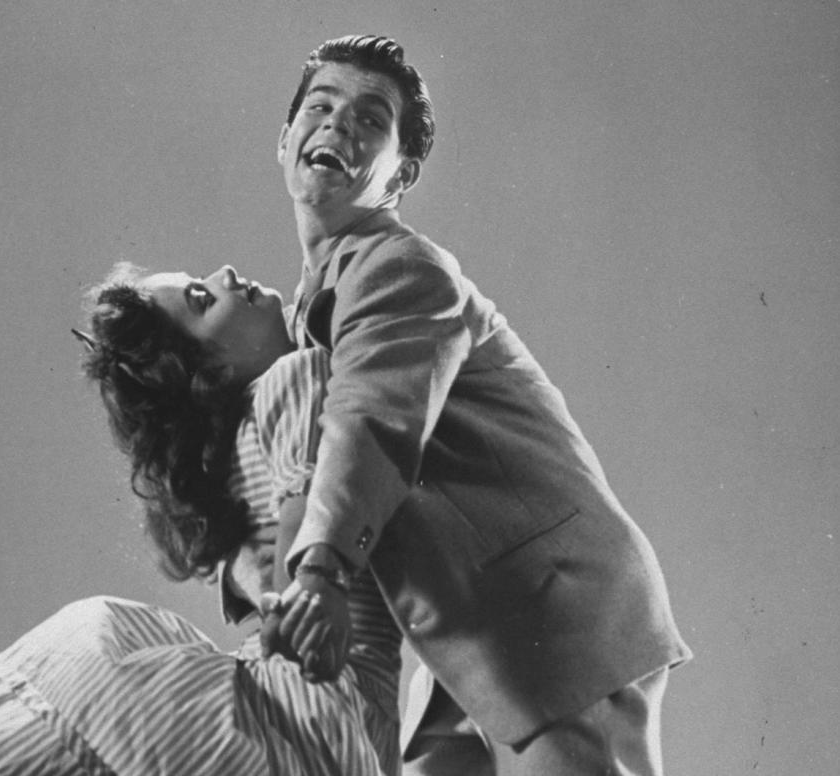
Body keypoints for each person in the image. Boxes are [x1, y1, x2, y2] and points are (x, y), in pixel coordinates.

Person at [262, 35, 693, 775]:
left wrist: (321, 572)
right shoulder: (316, 300)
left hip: (552, 615)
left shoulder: (397, 267)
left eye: (370, 120)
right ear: (286, 138)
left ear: (402, 173)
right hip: (462, 639)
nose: (337, 127)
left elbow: (373, 419)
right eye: (321, 106)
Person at [0, 262, 406, 776]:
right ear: (208, 370)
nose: (226, 273)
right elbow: (308, 512)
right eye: (201, 300)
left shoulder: (228, 470)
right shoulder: (298, 376)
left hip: (328, 713)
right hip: (318, 703)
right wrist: (302, 607)